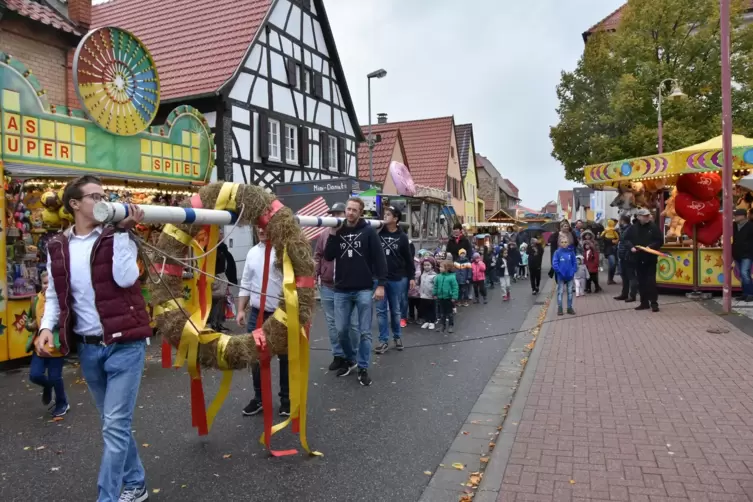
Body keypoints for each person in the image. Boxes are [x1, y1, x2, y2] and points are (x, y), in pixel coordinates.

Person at [37, 175, 150, 502]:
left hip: (125, 345)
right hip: (88, 349)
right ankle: (137, 483)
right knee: (113, 425)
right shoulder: (57, 245)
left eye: (105, 194)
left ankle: (108, 497)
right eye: (95, 196)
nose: (104, 200)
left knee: (114, 427)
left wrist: (123, 234)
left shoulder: (115, 234)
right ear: (75, 204)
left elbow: (126, 278)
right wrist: (47, 326)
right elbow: (55, 295)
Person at [324, 197, 387, 387]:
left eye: (354, 210)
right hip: (341, 289)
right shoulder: (338, 230)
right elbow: (328, 256)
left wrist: (381, 284)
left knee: (365, 332)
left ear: (360, 212)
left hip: (363, 288)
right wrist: (333, 234)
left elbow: (379, 258)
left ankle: (363, 367)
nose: (350, 213)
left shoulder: (368, 232)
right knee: (341, 330)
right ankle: (351, 359)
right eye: (348, 210)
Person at [237, 227, 289, 417]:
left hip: (282, 314)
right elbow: (246, 282)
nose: (261, 229)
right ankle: (259, 398)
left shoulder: (284, 250)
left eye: (265, 225)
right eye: (258, 226)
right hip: (258, 315)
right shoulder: (252, 252)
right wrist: (241, 309)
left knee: (285, 357)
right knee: (257, 356)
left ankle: (287, 400)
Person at [315, 202, 359, 371]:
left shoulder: (354, 233)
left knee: (351, 324)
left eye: (339, 213)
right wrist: (315, 275)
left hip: (349, 285)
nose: (336, 217)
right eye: (333, 214)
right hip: (328, 284)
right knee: (332, 323)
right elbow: (318, 255)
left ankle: (352, 355)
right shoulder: (325, 233)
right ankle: (338, 355)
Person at [26, 270, 69, 417]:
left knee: (55, 377)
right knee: (34, 375)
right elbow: (31, 319)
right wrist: (31, 325)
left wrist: (52, 323)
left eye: (50, 283)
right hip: (39, 345)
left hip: (55, 346)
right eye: (45, 283)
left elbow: (67, 319)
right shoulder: (36, 299)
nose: (47, 286)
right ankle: (47, 385)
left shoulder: (60, 300)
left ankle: (62, 403)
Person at [375, 206, 415, 354]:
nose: (385, 216)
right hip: (380, 279)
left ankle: (397, 337)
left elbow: (408, 259)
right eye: (384, 214)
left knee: (396, 310)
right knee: (380, 311)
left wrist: (411, 277)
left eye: (388, 214)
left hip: (396, 278)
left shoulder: (402, 237)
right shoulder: (378, 234)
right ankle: (383, 340)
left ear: (396, 218)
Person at [622, 208, 663, 312]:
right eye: (645, 216)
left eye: (648, 215)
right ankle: (644, 303)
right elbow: (625, 239)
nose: (647, 217)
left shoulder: (653, 227)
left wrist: (651, 247)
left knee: (651, 281)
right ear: (639, 217)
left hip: (650, 258)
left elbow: (659, 240)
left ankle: (654, 303)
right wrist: (631, 247)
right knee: (641, 281)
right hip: (638, 258)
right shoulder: (633, 228)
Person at [614, 215, 638, 302]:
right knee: (624, 276)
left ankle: (632, 295)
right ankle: (624, 294)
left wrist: (627, 253)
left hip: (628, 256)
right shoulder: (624, 229)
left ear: (623, 221)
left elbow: (628, 242)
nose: (618, 222)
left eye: (619, 220)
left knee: (631, 276)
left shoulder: (630, 229)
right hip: (623, 256)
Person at [552, 234, 577, 316]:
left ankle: (569, 307)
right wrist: (559, 272)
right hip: (560, 276)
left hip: (570, 275)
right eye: (562, 242)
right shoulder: (557, 252)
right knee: (560, 292)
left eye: (565, 242)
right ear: (559, 243)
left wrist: (573, 271)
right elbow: (555, 263)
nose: (564, 244)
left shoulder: (571, 252)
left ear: (568, 242)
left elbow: (574, 263)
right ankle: (560, 308)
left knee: (570, 292)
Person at [733, 208, 753, 301]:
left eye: (737, 215)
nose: (735, 217)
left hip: (747, 254)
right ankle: (745, 293)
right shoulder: (734, 225)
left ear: (743, 216)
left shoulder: (750, 226)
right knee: (742, 274)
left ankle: (750, 293)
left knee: (745, 273)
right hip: (737, 253)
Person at [434, 260, 459, 333]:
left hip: (449, 298)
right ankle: (442, 325)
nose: (439, 268)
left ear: (447, 268)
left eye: (441, 267)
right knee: (442, 313)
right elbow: (436, 286)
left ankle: (451, 325)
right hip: (441, 297)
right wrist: (435, 293)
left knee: (450, 313)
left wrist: (454, 297)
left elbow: (455, 287)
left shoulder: (452, 277)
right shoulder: (438, 277)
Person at [418, 257, 437, 329]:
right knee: (425, 308)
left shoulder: (434, 275)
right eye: (425, 265)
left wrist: (435, 294)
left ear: (432, 265)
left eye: (428, 265)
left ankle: (432, 322)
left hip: (431, 295)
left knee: (432, 309)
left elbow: (436, 286)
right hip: (423, 295)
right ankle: (426, 321)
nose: (426, 266)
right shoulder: (422, 274)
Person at [600, 219, 619, 285]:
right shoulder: (605, 231)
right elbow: (601, 240)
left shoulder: (616, 231)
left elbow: (619, 238)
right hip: (609, 250)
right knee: (612, 263)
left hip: (616, 250)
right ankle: (610, 279)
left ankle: (610, 279)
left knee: (614, 264)